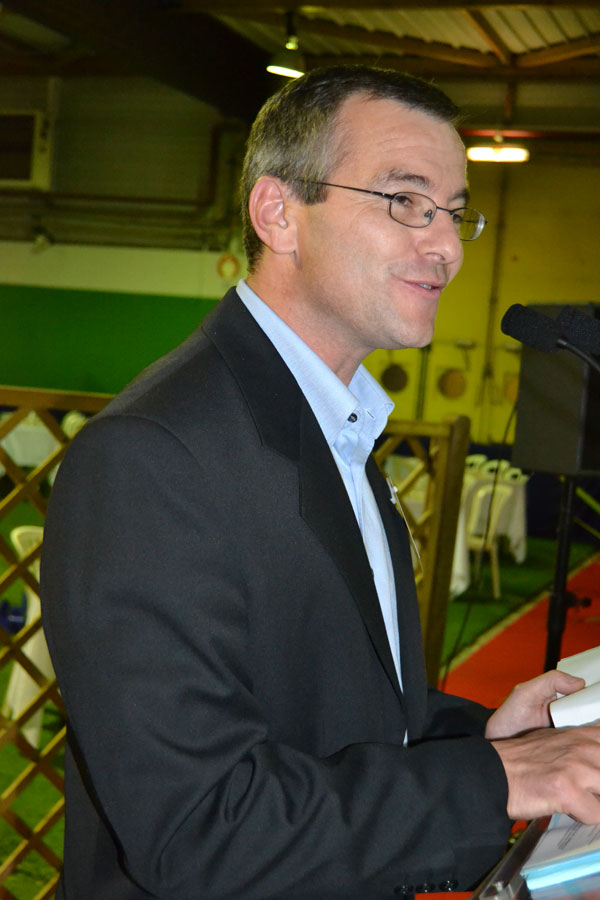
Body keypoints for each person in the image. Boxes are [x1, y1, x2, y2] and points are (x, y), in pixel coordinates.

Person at [41, 65, 600, 900]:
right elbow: (201, 827)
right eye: (405, 200)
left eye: (452, 211)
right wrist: (495, 780)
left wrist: (483, 735)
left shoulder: (335, 421)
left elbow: (327, 713)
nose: (444, 244)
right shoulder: (151, 457)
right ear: (279, 213)